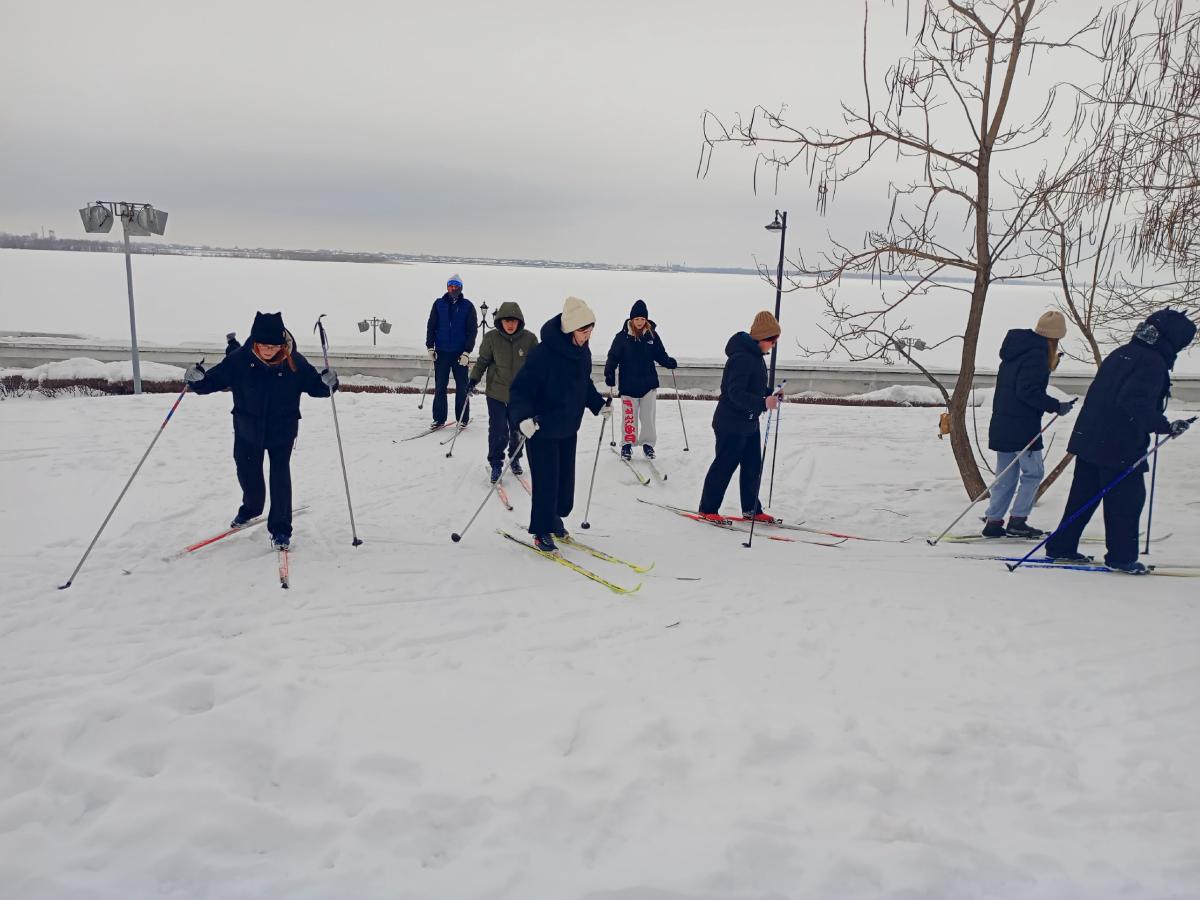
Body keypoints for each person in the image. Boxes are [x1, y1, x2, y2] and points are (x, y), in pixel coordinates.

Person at [1044, 308, 1196, 573]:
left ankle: (1062, 546)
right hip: (1118, 444)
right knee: (1127, 500)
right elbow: (1134, 402)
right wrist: (1164, 426)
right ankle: (1121, 557)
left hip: (1090, 437)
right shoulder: (1151, 362)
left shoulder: (1123, 353)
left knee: (1083, 496)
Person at [183, 311, 338, 550]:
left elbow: (316, 387)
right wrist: (196, 380)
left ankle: (281, 529)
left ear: (281, 344)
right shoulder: (238, 360)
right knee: (249, 475)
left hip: (282, 430)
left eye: (273, 346)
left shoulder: (295, 362)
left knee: (280, 478)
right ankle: (251, 508)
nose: (268, 350)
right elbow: (211, 382)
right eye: (263, 345)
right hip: (247, 430)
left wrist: (329, 383)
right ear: (255, 341)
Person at [509, 296, 612, 553]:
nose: (587, 336)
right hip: (542, 429)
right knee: (546, 482)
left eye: (590, 330)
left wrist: (598, 405)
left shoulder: (582, 352)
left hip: (568, 428)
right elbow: (520, 390)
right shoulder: (543, 354)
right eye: (583, 331)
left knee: (564, 485)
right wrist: (522, 419)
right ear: (570, 329)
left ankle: (555, 518)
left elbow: (583, 383)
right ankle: (541, 530)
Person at [981, 310, 1076, 538]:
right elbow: (1027, 391)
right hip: (1022, 426)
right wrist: (1056, 406)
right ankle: (1018, 520)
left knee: (1005, 476)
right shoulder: (1037, 354)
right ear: (1056, 337)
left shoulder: (1016, 350)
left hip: (1003, 422)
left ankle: (994, 521)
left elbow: (1019, 387)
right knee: (1033, 473)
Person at [698, 311, 783, 522]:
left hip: (749, 422)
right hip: (730, 423)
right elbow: (735, 393)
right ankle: (707, 509)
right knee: (725, 466)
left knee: (752, 467)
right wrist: (763, 403)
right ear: (761, 338)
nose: (773, 345)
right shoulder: (742, 358)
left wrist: (770, 393)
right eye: (772, 340)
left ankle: (752, 509)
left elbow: (754, 387)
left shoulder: (756, 357)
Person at [468, 301, 538, 483]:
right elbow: (483, 361)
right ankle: (496, 463)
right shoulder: (491, 338)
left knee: (518, 430)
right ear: (500, 321)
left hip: (520, 395)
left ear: (519, 321)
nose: (510, 324)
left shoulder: (530, 339)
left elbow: (537, 366)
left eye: (513, 321)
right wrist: (473, 379)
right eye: (507, 321)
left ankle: (515, 458)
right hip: (496, 393)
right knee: (498, 429)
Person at [604, 298, 678, 460]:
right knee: (629, 418)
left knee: (648, 418)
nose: (639, 322)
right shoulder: (622, 337)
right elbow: (613, 356)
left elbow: (660, 354)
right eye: (637, 319)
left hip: (648, 384)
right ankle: (627, 445)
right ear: (631, 319)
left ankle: (648, 445)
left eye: (642, 319)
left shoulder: (652, 335)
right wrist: (609, 372)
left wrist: (668, 362)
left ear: (646, 320)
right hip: (628, 385)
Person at [425, 273, 478, 430]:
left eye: (456, 286)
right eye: (450, 286)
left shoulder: (468, 306)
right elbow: (431, 326)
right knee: (440, 386)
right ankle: (439, 418)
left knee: (462, 387)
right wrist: (430, 347)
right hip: (441, 352)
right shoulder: (438, 304)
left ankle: (462, 418)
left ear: (460, 288)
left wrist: (467, 352)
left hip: (460, 354)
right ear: (447, 287)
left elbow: (472, 331)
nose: (453, 289)